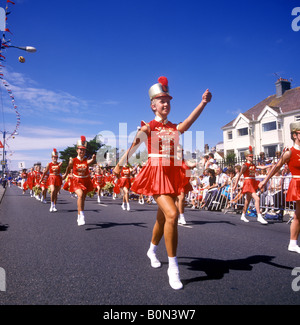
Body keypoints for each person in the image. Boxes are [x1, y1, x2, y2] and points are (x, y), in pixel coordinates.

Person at [113, 76, 212, 290]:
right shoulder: (148, 127)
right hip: (156, 173)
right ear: (153, 105)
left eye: (168, 100)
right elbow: (132, 148)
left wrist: (203, 103)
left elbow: (189, 122)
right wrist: (120, 165)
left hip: (173, 173)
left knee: (161, 218)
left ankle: (151, 249)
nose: (166, 103)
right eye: (161, 100)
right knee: (172, 214)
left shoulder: (174, 127)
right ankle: (173, 267)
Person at [259, 122, 300, 253]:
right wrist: (265, 181)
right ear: (295, 135)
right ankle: (293, 243)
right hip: (298, 182)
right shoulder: (289, 152)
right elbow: (276, 167)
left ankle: (293, 243)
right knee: (299, 214)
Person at [63, 136, 96, 226]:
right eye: (80, 150)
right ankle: (82, 214)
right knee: (80, 195)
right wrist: (65, 175)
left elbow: (90, 162)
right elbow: (68, 168)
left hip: (85, 180)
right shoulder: (73, 160)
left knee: (83, 199)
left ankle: (79, 215)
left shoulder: (85, 160)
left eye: (83, 150)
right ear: (77, 150)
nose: (82, 152)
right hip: (76, 181)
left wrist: (93, 159)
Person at [232, 146, 269, 224]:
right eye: (250, 156)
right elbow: (239, 175)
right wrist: (235, 185)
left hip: (252, 182)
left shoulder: (253, 165)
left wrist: (270, 166)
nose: (251, 157)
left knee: (247, 201)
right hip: (248, 183)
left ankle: (243, 215)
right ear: (246, 157)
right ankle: (259, 216)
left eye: (252, 156)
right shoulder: (245, 165)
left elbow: (260, 167)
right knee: (257, 198)